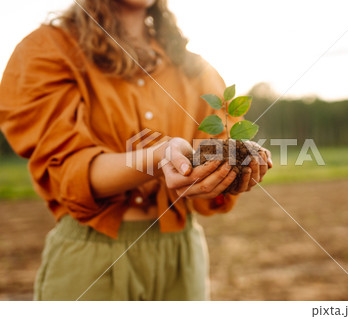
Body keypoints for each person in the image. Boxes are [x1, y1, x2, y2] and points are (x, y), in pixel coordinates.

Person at [0, 0, 271, 301]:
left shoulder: (194, 67)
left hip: (182, 258)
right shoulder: (49, 49)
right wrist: (158, 157)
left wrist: (225, 176)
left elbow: (214, 158)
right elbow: (70, 171)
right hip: (91, 260)